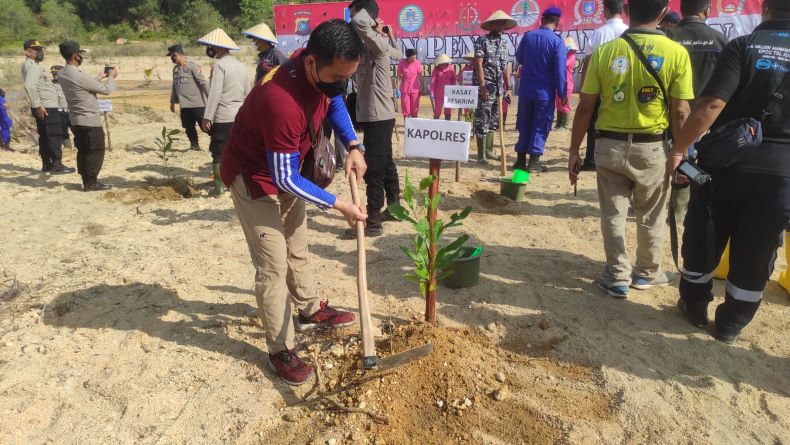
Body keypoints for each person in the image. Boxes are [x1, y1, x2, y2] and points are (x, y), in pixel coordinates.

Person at [220, 19, 367, 386]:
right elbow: (283, 178)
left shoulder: (317, 69)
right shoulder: (280, 101)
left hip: (286, 166)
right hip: (253, 177)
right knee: (272, 265)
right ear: (312, 63)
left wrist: (352, 144)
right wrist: (339, 205)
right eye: (336, 76)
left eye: (347, 78)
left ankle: (310, 310)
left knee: (297, 246)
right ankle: (280, 349)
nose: (341, 85)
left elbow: (333, 102)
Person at [669, 0, 790, 343]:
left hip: (721, 169)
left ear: (765, 9)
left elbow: (711, 104)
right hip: (781, 176)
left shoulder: (743, 46)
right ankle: (731, 324)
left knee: (704, 232)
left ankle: (694, 307)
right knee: (758, 248)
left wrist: (680, 149)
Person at [567, 0, 693, 299]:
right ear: (663, 12)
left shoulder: (605, 52)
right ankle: (647, 273)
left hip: (609, 145)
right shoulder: (676, 53)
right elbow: (680, 111)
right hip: (653, 149)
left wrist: (574, 150)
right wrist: (682, 150)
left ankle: (617, 276)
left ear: (627, 10)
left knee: (613, 213)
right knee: (651, 213)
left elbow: (585, 106)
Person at [666, 0, 728, 224]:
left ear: (681, 10)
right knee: (693, 160)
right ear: (707, 10)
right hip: (708, 117)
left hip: (674, 114)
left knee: (681, 157)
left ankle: (678, 206)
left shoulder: (669, 38)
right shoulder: (720, 40)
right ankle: (690, 202)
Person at [350, 0, 402, 235]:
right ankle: (394, 207)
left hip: (378, 117)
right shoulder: (371, 46)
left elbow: (360, 20)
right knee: (387, 162)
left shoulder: (378, 45)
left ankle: (373, 221)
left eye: (353, 14)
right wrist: (384, 33)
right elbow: (399, 52)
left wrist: (375, 24)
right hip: (377, 116)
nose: (352, 21)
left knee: (375, 168)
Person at [57, 41, 118, 192]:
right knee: (95, 150)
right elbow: (106, 90)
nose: (81, 57)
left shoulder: (63, 73)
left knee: (83, 150)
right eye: (80, 54)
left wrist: (98, 77)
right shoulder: (77, 74)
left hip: (76, 119)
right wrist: (112, 77)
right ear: (74, 56)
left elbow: (82, 84)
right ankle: (91, 183)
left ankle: (86, 180)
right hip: (89, 119)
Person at [514, 7, 567, 173]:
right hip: (544, 93)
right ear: (557, 22)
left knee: (524, 124)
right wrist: (562, 93)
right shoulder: (557, 42)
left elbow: (520, 58)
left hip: (526, 90)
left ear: (541, 19)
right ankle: (534, 162)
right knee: (540, 125)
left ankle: (520, 161)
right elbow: (560, 71)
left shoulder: (528, 36)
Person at [197, 28, 250, 196]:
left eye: (211, 46)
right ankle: (237, 185)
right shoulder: (241, 66)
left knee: (219, 152)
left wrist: (207, 116)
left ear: (218, 48)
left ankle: (219, 188)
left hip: (223, 116)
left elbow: (214, 93)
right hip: (239, 115)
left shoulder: (219, 65)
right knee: (237, 151)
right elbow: (248, 92)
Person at [580, 0, 629, 171]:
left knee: (593, 122)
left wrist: (584, 87)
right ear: (622, 11)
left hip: (600, 85)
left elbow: (588, 61)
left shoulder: (598, 33)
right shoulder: (628, 31)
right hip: (624, 86)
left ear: (606, 11)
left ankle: (591, 160)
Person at [21, 39, 75, 175]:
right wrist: (37, 105)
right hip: (46, 107)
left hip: (44, 106)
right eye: (36, 49)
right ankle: (57, 165)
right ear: (28, 51)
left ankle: (47, 164)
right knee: (54, 136)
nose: (40, 52)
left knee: (45, 137)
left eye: (40, 49)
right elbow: (29, 86)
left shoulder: (31, 65)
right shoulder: (33, 66)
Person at [474, 10, 515, 164]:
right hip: (486, 86)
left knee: (493, 120)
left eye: (503, 23)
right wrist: (483, 86)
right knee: (482, 119)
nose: (501, 26)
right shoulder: (483, 41)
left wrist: (508, 87)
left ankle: (489, 150)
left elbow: (505, 67)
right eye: (499, 22)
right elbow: (478, 64)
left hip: (498, 88)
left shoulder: (504, 44)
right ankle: (481, 155)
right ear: (492, 25)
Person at [167, 44, 209, 152]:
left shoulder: (192, 67)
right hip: (184, 105)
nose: (172, 59)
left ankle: (220, 142)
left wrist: (211, 97)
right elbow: (174, 86)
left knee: (205, 127)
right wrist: (172, 102)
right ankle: (194, 146)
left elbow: (203, 82)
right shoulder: (176, 70)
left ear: (176, 55)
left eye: (172, 56)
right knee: (188, 127)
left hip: (197, 104)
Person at [555, 37, 579, 130]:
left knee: (564, 104)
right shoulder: (564, 55)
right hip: (559, 83)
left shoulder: (571, 56)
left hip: (567, 84)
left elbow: (563, 64)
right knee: (558, 103)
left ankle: (565, 124)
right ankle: (558, 123)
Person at [50, 65, 72, 150]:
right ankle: (69, 149)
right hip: (58, 112)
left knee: (78, 131)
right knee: (63, 133)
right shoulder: (50, 84)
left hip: (71, 111)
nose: (55, 75)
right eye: (53, 73)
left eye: (56, 73)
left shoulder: (69, 83)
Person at [397, 48, 422, 119]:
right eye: (411, 59)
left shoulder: (417, 62)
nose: (413, 60)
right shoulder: (401, 63)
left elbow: (420, 76)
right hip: (404, 90)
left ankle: (414, 127)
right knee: (406, 111)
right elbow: (398, 77)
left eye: (414, 58)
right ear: (407, 57)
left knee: (414, 110)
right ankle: (407, 127)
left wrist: (422, 87)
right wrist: (397, 89)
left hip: (415, 90)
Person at [429, 53, 455, 120]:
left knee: (448, 111)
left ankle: (447, 124)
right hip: (438, 93)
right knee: (437, 110)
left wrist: (453, 90)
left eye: (443, 63)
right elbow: (433, 82)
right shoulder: (436, 70)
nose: (442, 65)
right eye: (440, 63)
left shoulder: (451, 69)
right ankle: (436, 125)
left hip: (449, 93)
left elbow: (454, 80)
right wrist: (431, 92)